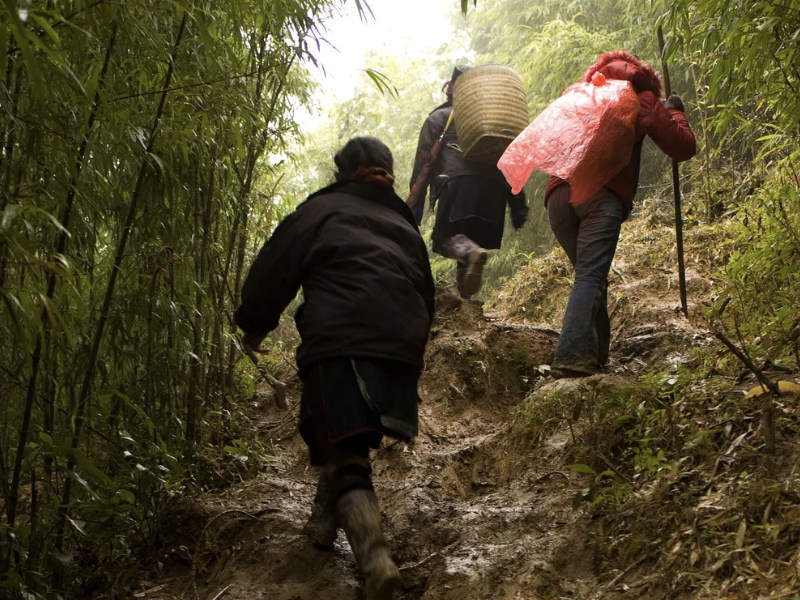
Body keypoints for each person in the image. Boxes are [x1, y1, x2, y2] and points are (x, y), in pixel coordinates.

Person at [235, 137, 435, 600]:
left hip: (342, 339)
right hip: (401, 346)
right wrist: (409, 353)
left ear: (343, 171)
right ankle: (322, 524)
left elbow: (272, 271)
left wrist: (252, 327)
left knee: (345, 452)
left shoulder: (319, 210)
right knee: (345, 434)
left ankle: (375, 559)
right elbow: (425, 294)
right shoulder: (403, 223)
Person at [545, 51, 696, 378]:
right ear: (642, 76)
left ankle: (596, 355)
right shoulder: (641, 98)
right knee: (590, 276)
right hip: (601, 195)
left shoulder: (583, 93)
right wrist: (675, 112)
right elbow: (682, 146)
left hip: (557, 197)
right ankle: (571, 356)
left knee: (591, 277)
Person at [410, 65, 528, 300]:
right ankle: (465, 301)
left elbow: (424, 164)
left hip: (457, 186)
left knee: (445, 241)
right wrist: (518, 205)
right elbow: (510, 159)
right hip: (495, 191)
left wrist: (414, 207)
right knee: (468, 246)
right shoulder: (492, 124)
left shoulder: (440, 118)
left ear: (452, 89)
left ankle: (471, 256)